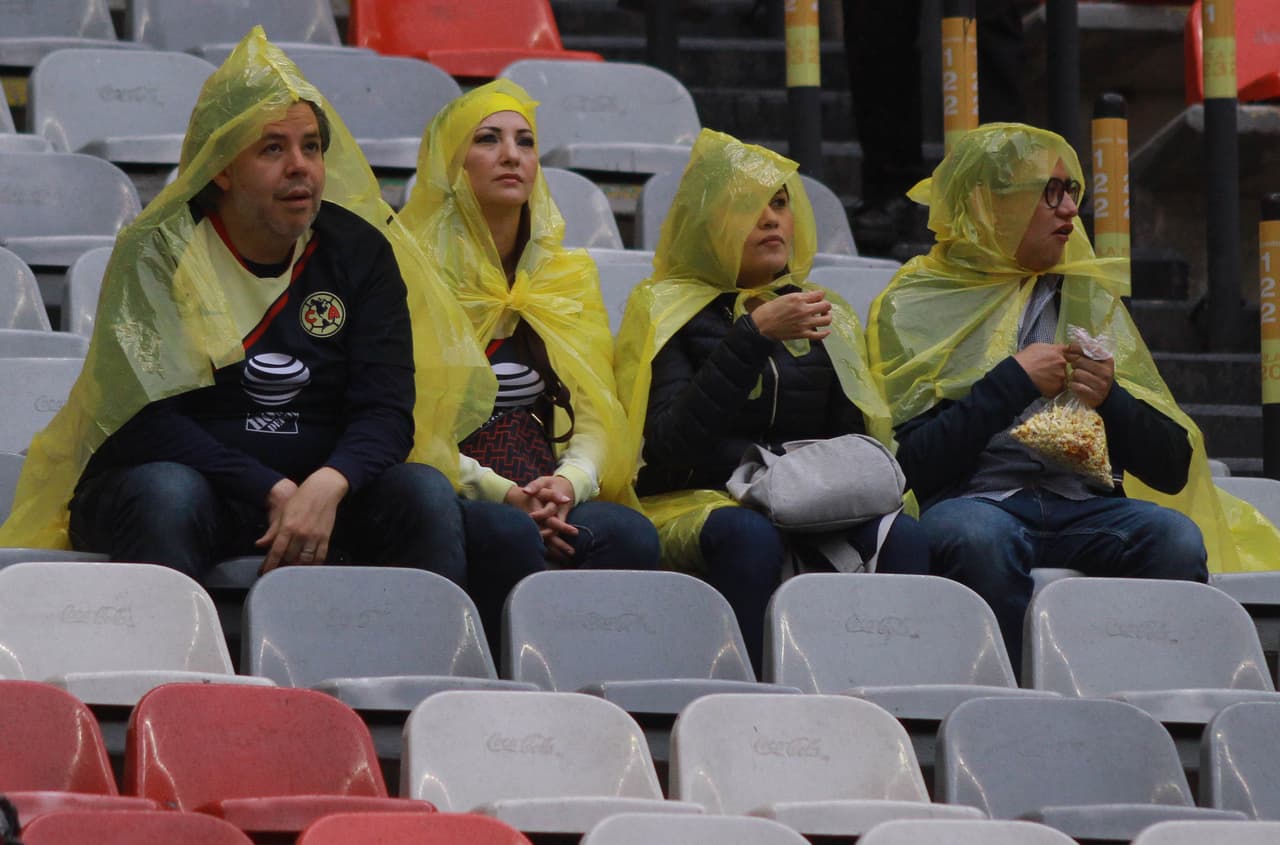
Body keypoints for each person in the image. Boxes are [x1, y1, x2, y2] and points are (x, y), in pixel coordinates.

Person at [0, 29, 490, 583]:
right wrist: (270, 488)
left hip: (320, 491)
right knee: (167, 492)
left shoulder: (361, 250)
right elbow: (141, 418)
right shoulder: (158, 251)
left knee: (422, 492)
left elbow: (387, 410)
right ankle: (172, 641)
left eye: (311, 147)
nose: (300, 166)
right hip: (191, 482)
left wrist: (328, 484)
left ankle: (425, 640)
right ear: (222, 168)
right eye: (273, 148)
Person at [866, 123, 1223, 666]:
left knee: (1174, 538)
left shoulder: (1085, 297)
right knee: (977, 538)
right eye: (1048, 193)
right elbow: (908, 466)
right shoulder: (916, 301)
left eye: (1071, 191)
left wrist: (1111, 399)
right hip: (974, 503)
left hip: (1084, 506)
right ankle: (1005, 695)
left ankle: (1138, 697)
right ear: (989, 206)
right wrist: (1011, 383)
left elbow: (1172, 466)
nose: (1070, 210)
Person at [615, 129, 930, 672]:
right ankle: (744, 691)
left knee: (903, 537)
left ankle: (892, 690)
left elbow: (848, 439)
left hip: (807, 495)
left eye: (780, 203)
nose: (770, 219)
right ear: (709, 223)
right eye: (748, 206)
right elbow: (670, 446)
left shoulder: (823, 311)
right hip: (701, 498)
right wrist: (752, 337)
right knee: (749, 535)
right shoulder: (663, 309)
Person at [399, 80, 660, 634]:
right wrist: (505, 495)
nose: (511, 155)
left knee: (631, 534)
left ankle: (581, 672)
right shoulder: (408, 270)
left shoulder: (566, 277)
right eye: (487, 139)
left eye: (525, 141)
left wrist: (567, 485)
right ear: (452, 164)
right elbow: (411, 424)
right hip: (457, 485)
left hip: (545, 482)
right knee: (508, 532)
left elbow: (596, 411)